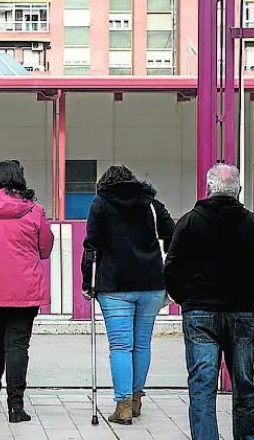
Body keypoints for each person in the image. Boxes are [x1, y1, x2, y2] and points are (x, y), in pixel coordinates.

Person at [164, 164, 254, 440]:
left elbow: (172, 268)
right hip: (241, 312)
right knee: (244, 384)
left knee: (202, 385)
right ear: (238, 190)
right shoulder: (253, 224)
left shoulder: (190, 222)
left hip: (199, 312)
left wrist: (186, 299)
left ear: (208, 189)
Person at [79, 164, 175, 425]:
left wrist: (87, 281)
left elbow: (92, 246)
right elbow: (172, 235)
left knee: (120, 345)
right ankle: (136, 400)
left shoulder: (101, 204)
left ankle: (122, 407)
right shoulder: (151, 204)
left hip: (115, 285)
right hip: (151, 283)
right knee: (142, 344)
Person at [0, 160, 53, 423]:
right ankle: (16, 407)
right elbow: (45, 248)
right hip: (25, 290)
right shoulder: (35, 211)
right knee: (18, 346)